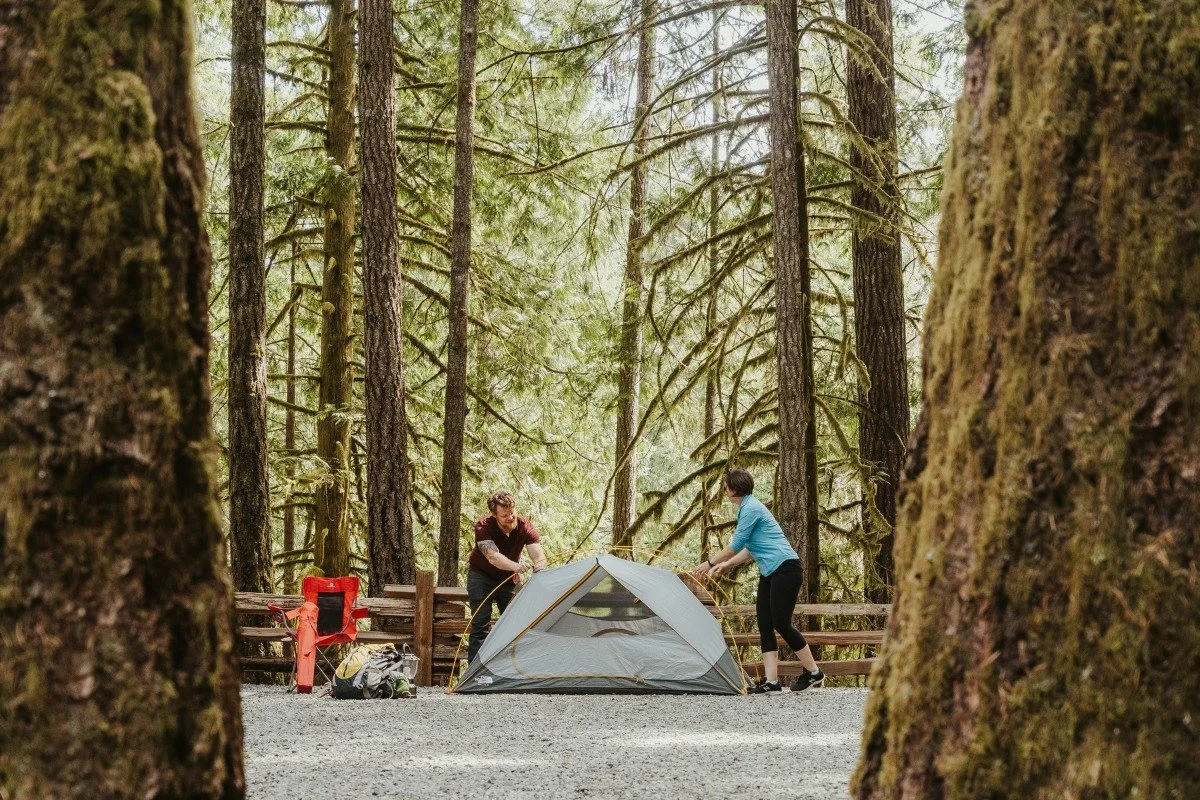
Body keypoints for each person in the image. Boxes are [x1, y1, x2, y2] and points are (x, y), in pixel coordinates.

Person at [692, 468, 825, 693]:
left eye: (726, 487)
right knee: (765, 624)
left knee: (781, 623)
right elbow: (749, 548)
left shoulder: (751, 508)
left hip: (786, 568)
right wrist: (728, 564)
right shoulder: (748, 508)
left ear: (734, 489)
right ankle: (772, 682)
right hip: (770, 572)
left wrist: (711, 563)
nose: (724, 491)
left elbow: (736, 545)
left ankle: (814, 673)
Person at [465, 490, 548, 664]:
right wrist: (516, 567)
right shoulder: (483, 526)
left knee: (515, 624)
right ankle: (474, 675)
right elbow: (492, 556)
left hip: (508, 581)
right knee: (481, 623)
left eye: (512, 512)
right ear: (494, 515)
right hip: (481, 577)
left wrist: (539, 570)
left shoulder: (525, 526)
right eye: (504, 515)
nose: (510, 517)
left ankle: (514, 671)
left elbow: (538, 556)